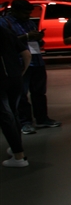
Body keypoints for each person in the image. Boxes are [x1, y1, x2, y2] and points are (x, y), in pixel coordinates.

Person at [1, 0, 61, 133]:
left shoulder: (30, 23)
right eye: (25, 13)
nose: (28, 16)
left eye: (29, 13)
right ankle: (24, 122)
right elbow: (7, 43)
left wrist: (39, 38)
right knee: (21, 94)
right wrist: (26, 36)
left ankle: (42, 118)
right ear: (14, 11)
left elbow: (38, 42)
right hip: (20, 63)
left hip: (37, 60)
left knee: (39, 92)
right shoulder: (4, 23)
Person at [0, 25, 30, 167]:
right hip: (15, 78)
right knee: (13, 113)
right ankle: (16, 148)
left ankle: (19, 156)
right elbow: (27, 54)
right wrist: (20, 73)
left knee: (6, 117)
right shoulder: (6, 31)